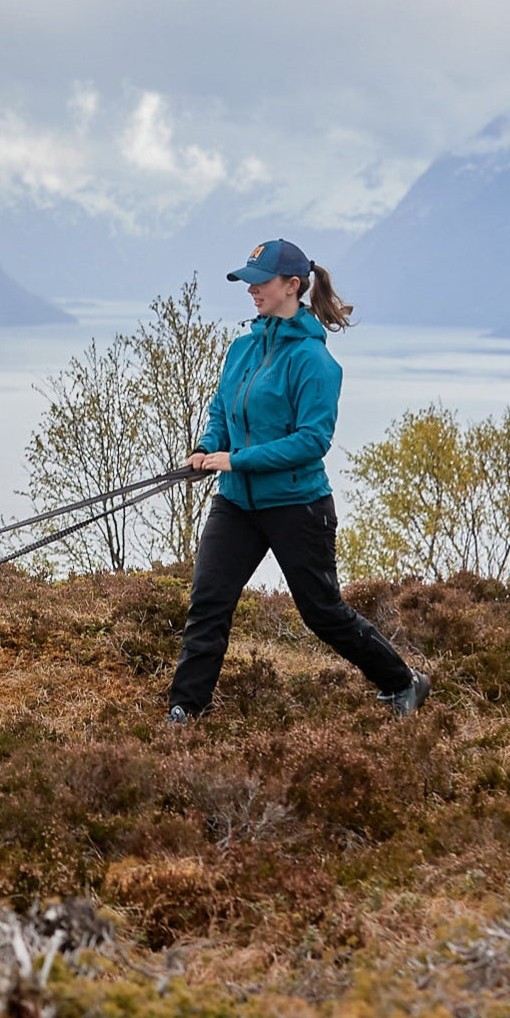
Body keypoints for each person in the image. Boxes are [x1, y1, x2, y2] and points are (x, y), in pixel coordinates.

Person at [167, 239, 430, 721]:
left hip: (296, 505)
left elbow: (312, 441)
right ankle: (185, 710)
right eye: (248, 282)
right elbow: (222, 410)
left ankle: (403, 682)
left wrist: (237, 460)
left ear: (292, 286)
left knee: (321, 612)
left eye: (260, 282)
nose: (251, 290)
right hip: (237, 504)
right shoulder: (242, 349)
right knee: (208, 602)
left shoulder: (315, 361)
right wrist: (207, 448)